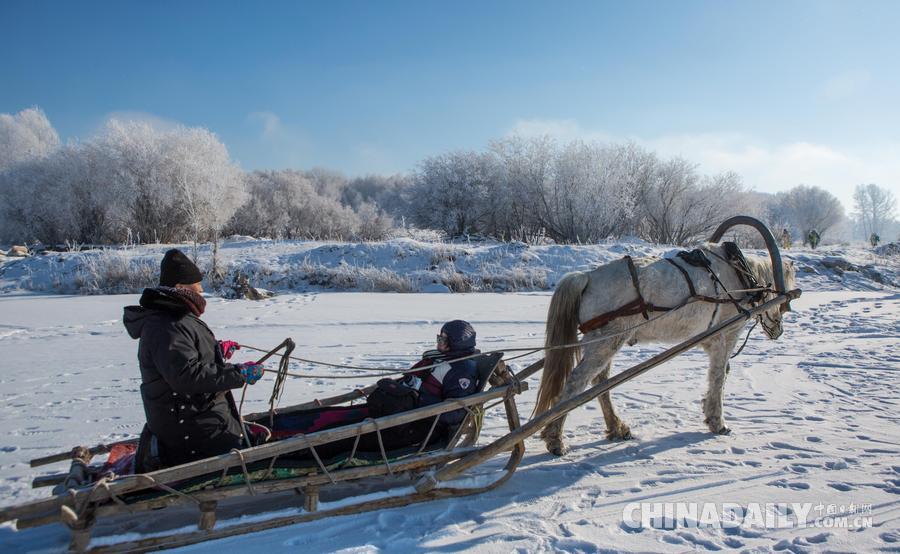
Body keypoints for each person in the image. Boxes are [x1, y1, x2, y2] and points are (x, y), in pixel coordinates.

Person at [123, 249, 264, 470]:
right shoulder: (166, 326)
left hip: (196, 419)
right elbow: (187, 376)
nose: (201, 293)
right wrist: (239, 373)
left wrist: (214, 350)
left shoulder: (172, 319)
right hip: (192, 431)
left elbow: (182, 358)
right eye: (197, 289)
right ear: (180, 288)